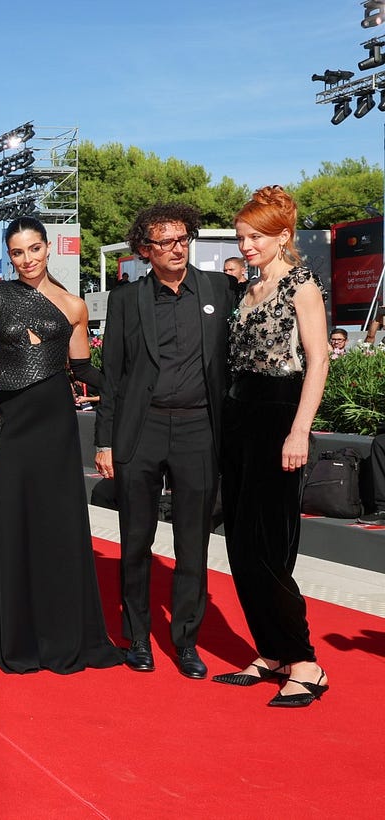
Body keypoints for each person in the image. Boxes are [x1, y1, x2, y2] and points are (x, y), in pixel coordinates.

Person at [0, 216, 121, 675]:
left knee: (55, 525)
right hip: (8, 422)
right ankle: (10, 634)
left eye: (34, 249)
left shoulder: (74, 306)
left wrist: (129, 386)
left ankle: (60, 632)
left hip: (55, 424)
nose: (26, 260)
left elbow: (82, 369)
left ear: (48, 248)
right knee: (8, 519)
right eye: (17, 253)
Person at [95, 204, 232, 680]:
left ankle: (186, 642)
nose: (178, 248)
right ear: (144, 251)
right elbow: (112, 375)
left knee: (192, 543)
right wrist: (104, 441)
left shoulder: (219, 289)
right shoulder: (126, 300)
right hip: (142, 430)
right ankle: (137, 637)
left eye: (183, 239)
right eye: (167, 242)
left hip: (200, 430)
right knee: (136, 540)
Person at [214, 186, 331, 707]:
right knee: (240, 545)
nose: (246, 245)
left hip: (280, 417)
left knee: (268, 546)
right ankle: (273, 651)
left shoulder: (302, 285)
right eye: (242, 237)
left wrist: (300, 429)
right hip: (239, 420)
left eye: (256, 237)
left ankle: (305, 661)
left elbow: (319, 360)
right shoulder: (251, 289)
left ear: (284, 236)